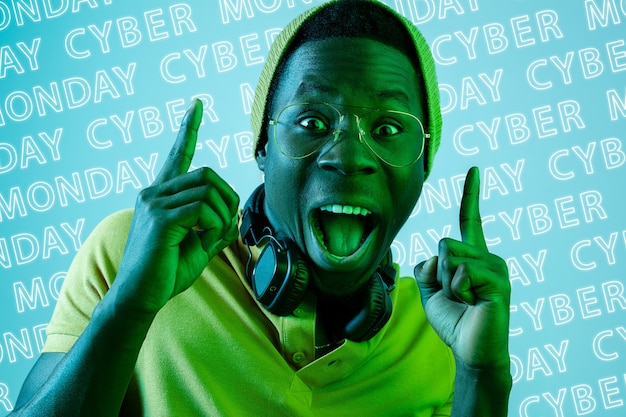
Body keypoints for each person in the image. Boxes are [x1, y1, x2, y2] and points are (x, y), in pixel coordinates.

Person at [10, 0, 512, 416]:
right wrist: (129, 304)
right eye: (312, 121)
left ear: (424, 166)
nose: (350, 156)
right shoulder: (137, 254)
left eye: (387, 130)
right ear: (262, 147)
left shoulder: (442, 330)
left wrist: (480, 374)